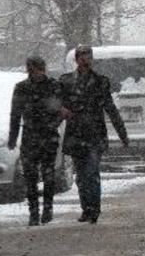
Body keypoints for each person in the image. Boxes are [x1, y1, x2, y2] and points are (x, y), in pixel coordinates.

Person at [60, 45, 130, 223]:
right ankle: (86, 208)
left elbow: (110, 109)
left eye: (88, 56)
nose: (85, 59)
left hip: (94, 135)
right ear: (76, 60)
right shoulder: (66, 81)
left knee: (91, 172)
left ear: (92, 59)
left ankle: (94, 209)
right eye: (81, 56)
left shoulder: (100, 81)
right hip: (76, 134)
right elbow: (58, 106)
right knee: (81, 176)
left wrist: (123, 134)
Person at [7, 56, 64, 226]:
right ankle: (33, 211)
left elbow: (61, 111)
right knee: (30, 176)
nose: (36, 73)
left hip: (48, 135)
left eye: (38, 69)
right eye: (32, 69)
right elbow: (15, 114)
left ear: (43, 69)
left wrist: (52, 125)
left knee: (48, 175)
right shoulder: (22, 88)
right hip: (30, 136)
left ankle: (47, 208)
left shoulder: (53, 86)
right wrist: (12, 137)